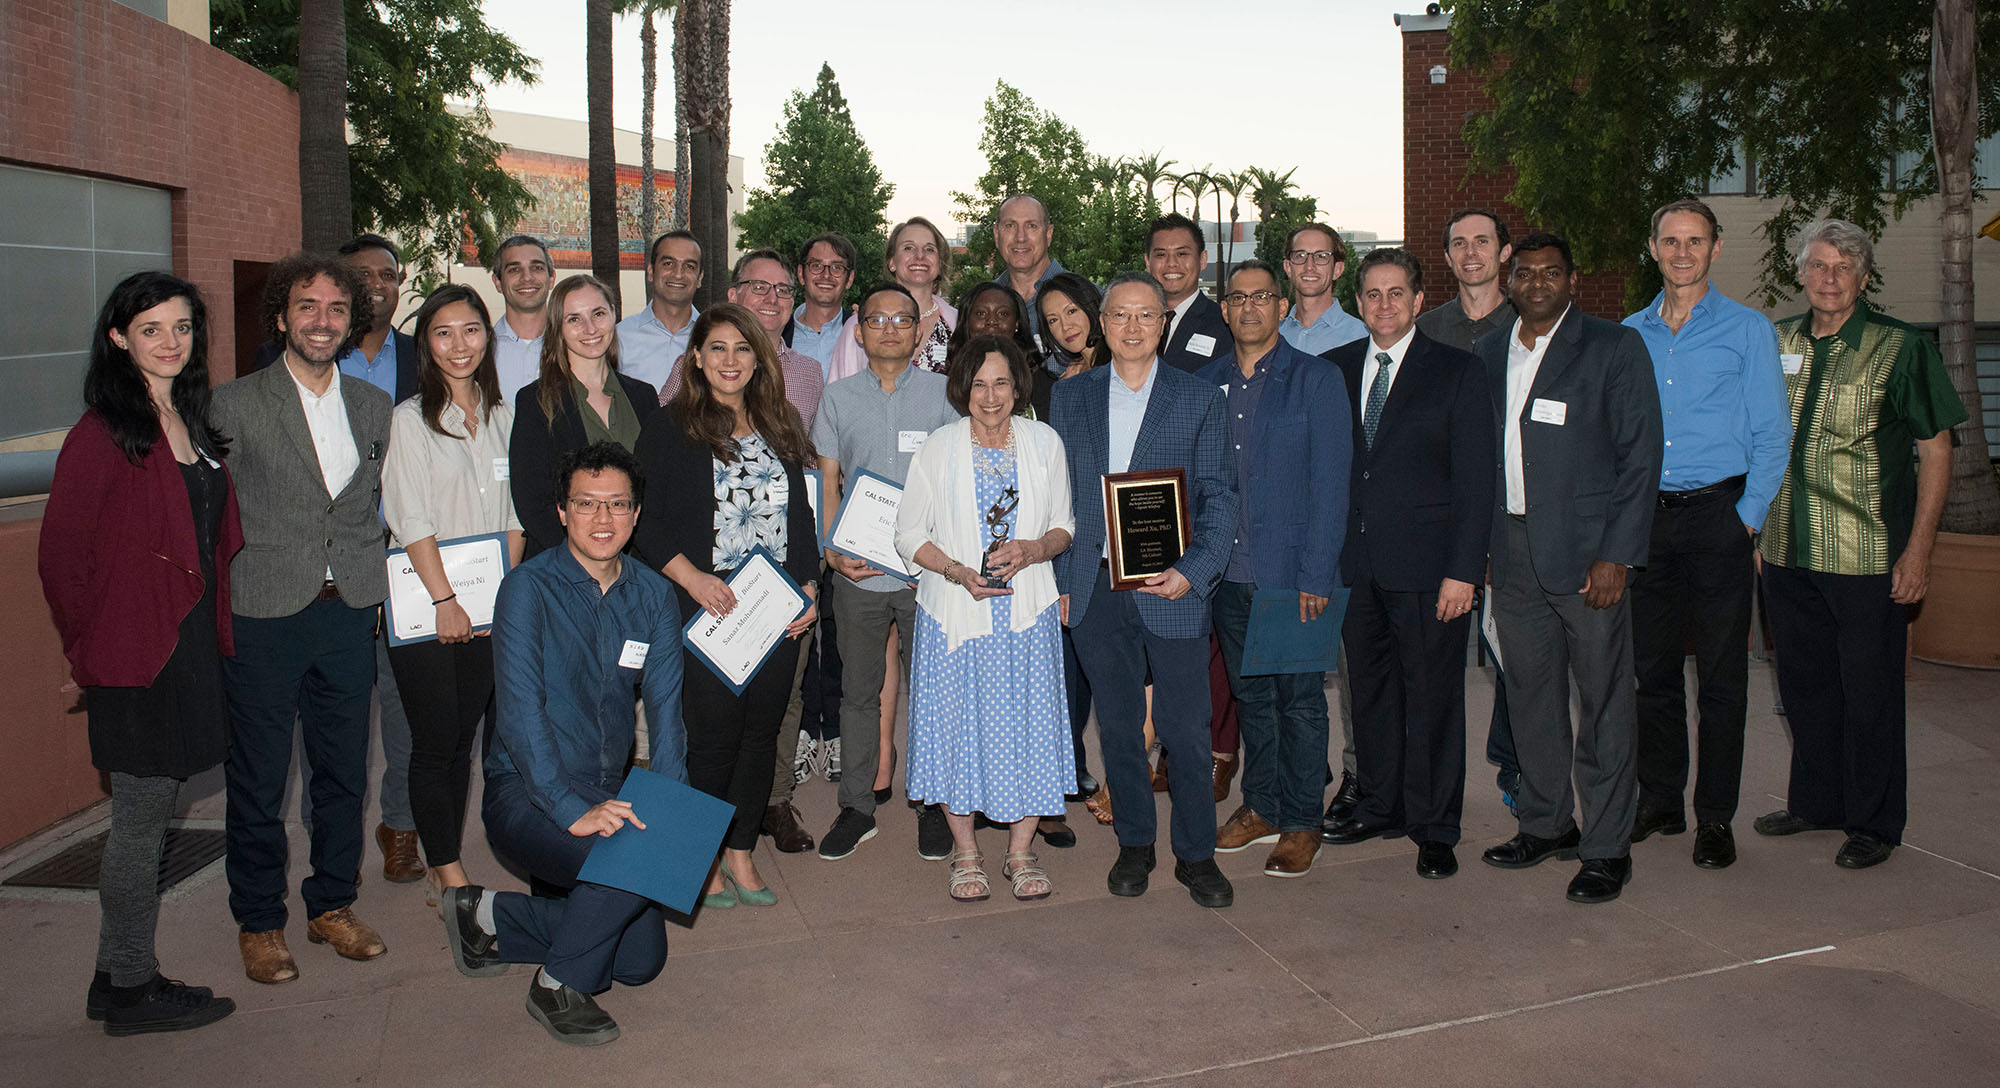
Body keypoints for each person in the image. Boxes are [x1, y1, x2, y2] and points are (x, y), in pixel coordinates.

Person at [39, 271, 241, 1035]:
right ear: (119, 336)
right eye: (151, 327)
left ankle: (108, 976)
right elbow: (62, 558)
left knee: (148, 814)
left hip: (185, 647)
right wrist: (88, 648)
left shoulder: (189, 421)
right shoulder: (102, 434)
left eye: (182, 328)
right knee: (140, 820)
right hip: (138, 654)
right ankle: (132, 988)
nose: (169, 341)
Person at [439, 441, 686, 1046]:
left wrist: (675, 814)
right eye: (586, 504)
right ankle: (556, 984)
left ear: (635, 513)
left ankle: (487, 915)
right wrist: (569, 807)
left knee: (638, 962)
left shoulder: (653, 595)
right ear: (561, 511)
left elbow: (668, 715)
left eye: (617, 505)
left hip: (608, 788)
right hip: (525, 792)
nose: (602, 520)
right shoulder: (527, 589)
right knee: (630, 872)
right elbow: (520, 719)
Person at [1751, 219, 1965, 871]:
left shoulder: (1901, 347)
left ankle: (1874, 820)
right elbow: (1759, 441)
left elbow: (1936, 451)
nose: (1829, 278)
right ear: (1800, 272)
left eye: (1844, 267)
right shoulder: (1777, 340)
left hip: (1868, 554)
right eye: (1818, 265)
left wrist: (1919, 551)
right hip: (1786, 550)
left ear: (1864, 276)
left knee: (1869, 691)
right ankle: (1817, 801)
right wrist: (1755, 529)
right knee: (1805, 684)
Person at [212, 252, 394, 983]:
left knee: (344, 775)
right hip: (261, 613)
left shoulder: (373, 408)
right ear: (282, 317)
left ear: (353, 322)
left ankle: (331, 905)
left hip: (347, 611)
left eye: (337, 309)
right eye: (308, 307)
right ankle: (259, 922)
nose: (322, 321)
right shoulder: (231, 405)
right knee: (258, 780)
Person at [1476, 235, 1663, 905]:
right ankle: (1546, 824)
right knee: (1530, 698)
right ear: (1508, 280)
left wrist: (1619, 553)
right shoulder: (1490, 350)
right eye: (1523, 272)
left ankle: (1607, 847)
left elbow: (1641, 457)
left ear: (1573, 278)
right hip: (1513, 552)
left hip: (1591, 560)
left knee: (1605, 703)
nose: (1536, 283)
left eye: (1550, 272)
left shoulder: (1614, 348)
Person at [1050, 272, 1239, 908]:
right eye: (1120, 316)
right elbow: (1060, 501)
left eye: (1146, 316)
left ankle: (1196, 855)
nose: (1133, 328)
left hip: (1174, 585)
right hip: (1096, 587)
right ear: (1102, 325)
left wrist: (1194, 569)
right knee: (1121, 727)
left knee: (1186, 730)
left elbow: (1220, 497)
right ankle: (1135, 843)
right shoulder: (1070, 400)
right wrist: (1063, 581)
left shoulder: (1200, 397)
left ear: (1164, 325)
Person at [1622, 199, 1790, 871]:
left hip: (1721, 518)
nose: (1682, 251)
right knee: (1650, 674)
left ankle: (1713, 816)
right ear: (1654, 248)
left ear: (1715, 249)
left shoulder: (1749, 331)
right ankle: (1660, 799)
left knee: (1722, 680)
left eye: (1695, 240)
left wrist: (1745, 518)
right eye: (1671, 240)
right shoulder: (1628, 334)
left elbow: (1773, 437)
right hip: (1647, 523)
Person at [634, 304, 821, 906]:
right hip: (706, 609)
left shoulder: (780, 420)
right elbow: (645, 521)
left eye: (742, 350)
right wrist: (691, 579)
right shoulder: (669, 427)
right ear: (696, 357)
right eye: (717, 348)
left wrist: (810, 587)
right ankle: (705, 857)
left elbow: (801, 513)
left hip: (775, 612)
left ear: (758, 359)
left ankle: (741, 852)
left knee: (760, 737)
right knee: (712, 742)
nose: (730, 361)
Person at [1319, 249, 1493, 881]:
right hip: (1354, 566)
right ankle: (1382, 804)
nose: (1384, 305)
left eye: (1397, 294)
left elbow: (1476, 481)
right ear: (1357, 302)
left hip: (1430, 571)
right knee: (1370, 697)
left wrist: (1463, 570)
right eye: (1372, 294)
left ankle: (1435, 825)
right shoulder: (1332, 371)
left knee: (1434, 701)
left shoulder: (1457, 371)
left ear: (1419, 301)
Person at [895, 335, 1077, 900]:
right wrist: (954, 571)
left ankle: (1020, 853)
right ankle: (967, 852)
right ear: (963, 388)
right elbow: (908, 535)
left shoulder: (1045, 442)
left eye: (1002, 382)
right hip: (954, 616)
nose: (991, 395)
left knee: (1030, 731)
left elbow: (1064, 527)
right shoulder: (939, 446)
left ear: (1018, 385)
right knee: (956, 732)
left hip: (1026, 617)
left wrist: (1032, 550)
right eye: (979, 384)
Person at [1198, 261, 1353, 879]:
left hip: (1293, 574)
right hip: (1228, 574)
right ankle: (1260, 805)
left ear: (1281, 306)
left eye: (1262, 296)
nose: (1250, 308)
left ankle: (1301, 821)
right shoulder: (1206, 384)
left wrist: (1318, 573)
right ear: (1226, 307)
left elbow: (1330, 484)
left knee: (1299, 702)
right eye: (1238, 298)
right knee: (1252, 697)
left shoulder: (1315, 380)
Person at [381, 285, 526, 905]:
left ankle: (460, 852)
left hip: (491, 608)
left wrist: (501, 596)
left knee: (471, 740)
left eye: (471, 330)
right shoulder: (409, 420)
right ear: (426, 344)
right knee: (436, 742)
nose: (458, 345)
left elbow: (518, 516)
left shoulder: (505, 415)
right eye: (443, 333)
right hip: (430, 608)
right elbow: (410, 518)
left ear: (486, 338)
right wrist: (447, 601)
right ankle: (445, 866)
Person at [810, 284, 960, 860]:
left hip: (929, 575)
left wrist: (944, 559)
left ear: (920, 330)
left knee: (932, 691)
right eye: (877, 319)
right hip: (860, 572)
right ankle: (857, 807)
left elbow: (954, 483)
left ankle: (930, 803)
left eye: (902, 319)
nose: (890, 328)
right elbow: (828, 481)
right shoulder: (838, 398)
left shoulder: (945, 396)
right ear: (860, 329)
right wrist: (829, 549)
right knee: (858, 693)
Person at [1416, 208, 1521, 814]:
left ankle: (1516, 767)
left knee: (1516, 655)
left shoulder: (1531, 322)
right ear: (1449, 257)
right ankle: (1429, 786)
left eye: (1484, 241)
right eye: (1460, 243)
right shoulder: (1427, 329)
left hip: (1514, 514)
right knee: (1437, 661)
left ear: (1504, 253)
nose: (1472, 252)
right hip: (1441, 520)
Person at [334, 233, 425, 886]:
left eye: (388, 274)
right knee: (337, 713)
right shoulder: (306, 360)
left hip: (405, 560)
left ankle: (401, 825)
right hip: (329, 571)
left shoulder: (422, 360)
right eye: (361, 274)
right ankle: (333, 842)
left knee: (405, 707)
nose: (377, 283)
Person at [510, 275, 658, 559]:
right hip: (566, 571)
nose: (590, 328)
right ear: (557, 328)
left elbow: (655, 494)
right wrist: (586, 565)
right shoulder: (535, 402)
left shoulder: (644, 397)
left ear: (614, 314)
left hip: (640, 565)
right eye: (574, 319)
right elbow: (532, 504)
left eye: (598, 314)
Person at [1033, 270, 1109, 806]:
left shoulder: (1132, 364)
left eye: (1072, 313)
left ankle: (1135, 758)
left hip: (1126, 535)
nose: (1066, 327)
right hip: (1067, 534)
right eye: (1053, 320)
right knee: (1066, 660)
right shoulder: (1046, 383)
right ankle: (1070, 763)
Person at [657, 249, 826, 434]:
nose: (772, 299)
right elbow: (660, 433)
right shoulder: (697, 366)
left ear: (792, 303)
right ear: (733, 297)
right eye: (759, 287)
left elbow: (810, 456)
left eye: (782, 290)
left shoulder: (810, 372)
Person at [827, 217, 958, 382]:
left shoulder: (960, 325)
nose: (920, 256)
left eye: (930, 249)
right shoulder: (860, 325)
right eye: (908, 248)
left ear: (940, 263)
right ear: (891, 262)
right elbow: (839, 396)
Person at [617, 229, 703, 390]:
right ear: (651, 272)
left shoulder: (713, 337)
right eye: (668, 264)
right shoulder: (619, 337)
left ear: (700, 278)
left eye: (689, 266)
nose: (678, 274)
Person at [1147, 213, 1234, 373]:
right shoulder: (1130, 323)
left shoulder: (1225, 325)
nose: (1171, 263)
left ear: (1202, 259)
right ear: (1147, 262)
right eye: (1161, 255)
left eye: (1182, 254)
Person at [950, 281, 1047, 417]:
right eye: (981, 313)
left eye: (1002, 314)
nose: (991, 321)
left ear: (1017, 323)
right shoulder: (946, 381)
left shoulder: (1042, 382)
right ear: (966, 321)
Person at [1275, 223, 1367, 354]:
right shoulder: (1270, 336)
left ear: (1337, 269)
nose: (1309, 266)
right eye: (1300, 255)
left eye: (1321, 256)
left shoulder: (1361, 337)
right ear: (1288, 268)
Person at [991, 193, 1072, 338]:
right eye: (1010, 226)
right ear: (997, 235)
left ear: (1048, 234)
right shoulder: (983, 304)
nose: (1020, 237)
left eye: (1031, 226)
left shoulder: (1087, 300)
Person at [491, 234, 555, 401]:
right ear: (498, 283)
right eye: (514, 269)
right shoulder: (480, 351)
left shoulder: (575, 346)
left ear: (552, 278)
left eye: (537, 268)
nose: (527, 277)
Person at [787, 232, 857, 376]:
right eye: (816, 265)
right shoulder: (778, 336)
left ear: (849, 279)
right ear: (801, 274)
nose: (826, 275)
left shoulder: (862, 333)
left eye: (836, 267)